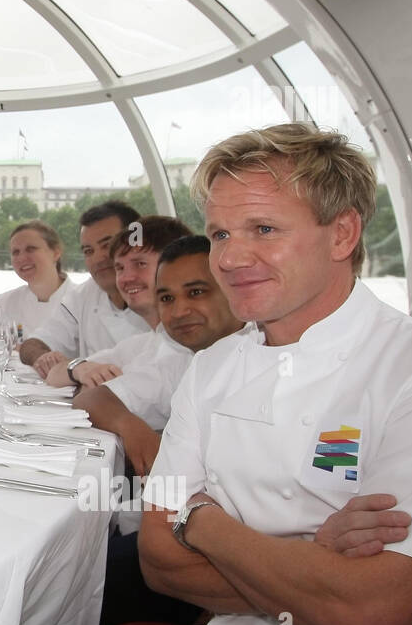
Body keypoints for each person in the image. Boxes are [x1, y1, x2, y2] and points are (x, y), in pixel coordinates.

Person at [126, 123, 412, 625]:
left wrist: (199, 521)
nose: (228, 258)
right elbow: (158, 562)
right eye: (221, 234)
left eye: (264, 229)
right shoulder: (212, 368)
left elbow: (372, 614)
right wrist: (318, 560)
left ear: (342, 235)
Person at [71, 235, 245, 476]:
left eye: (196, 292)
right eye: (166, 298)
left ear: (235, 289)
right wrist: (131, 427)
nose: (179, 311)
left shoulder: (269, 356)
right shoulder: (182, 359)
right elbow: (90, 400)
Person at [42, 215, 191, 390]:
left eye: (140, 264)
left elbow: (102, 402)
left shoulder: (188, 349)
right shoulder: (143, 344)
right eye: (120, 268)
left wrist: (87, 388)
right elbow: (54, 375)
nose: (126, 278)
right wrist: (78, 369)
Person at [18, 201, 151, 374]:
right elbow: (32, 345)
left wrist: (75, 369)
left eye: (107, 245)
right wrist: (44, 358)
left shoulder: (164, 296)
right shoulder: (84, 294)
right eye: (88, 251)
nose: (97, 258)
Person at [0, 220, 71, 341]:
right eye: (15, 252)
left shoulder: (81, 300)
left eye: (30, 249)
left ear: (56, 252)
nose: (21, 258)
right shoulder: (6, 304)